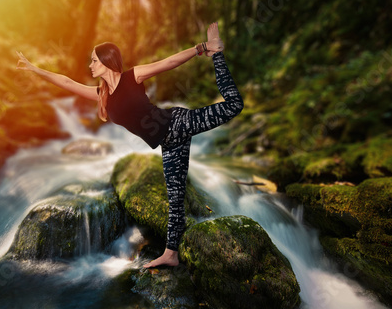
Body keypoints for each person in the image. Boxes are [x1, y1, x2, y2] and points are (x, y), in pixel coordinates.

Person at [16, 22, 243, 268]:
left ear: (106, 60)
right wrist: (33, 69)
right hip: (169, 144)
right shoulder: (103, 95)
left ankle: (217, 55)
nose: (90, 65)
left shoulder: (132, 77)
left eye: (94, 60)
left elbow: (168, 63)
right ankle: (171, 254)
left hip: (178, 123)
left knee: (234, 105)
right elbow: (67, 83)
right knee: (175, 198)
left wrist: (202, 48)